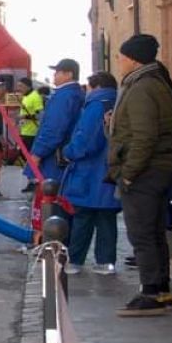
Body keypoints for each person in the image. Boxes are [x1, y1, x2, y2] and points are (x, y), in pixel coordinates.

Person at [107, 34, 172, 316]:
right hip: (158, 169)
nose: (119, 61)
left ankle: (151, 292)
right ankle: (160, 290)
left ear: (133, 58)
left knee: (143, 234)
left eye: (121, 56)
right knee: (154, 232)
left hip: (145, 172)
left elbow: (144, 136)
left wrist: (127, 174)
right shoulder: (154, 83)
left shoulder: (141, 87)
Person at [60, 71, 120, 275]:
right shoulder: (118, 102)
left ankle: (75, 261)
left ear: (96, 87)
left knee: (83, 217)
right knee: (106, 218)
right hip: (112, 170)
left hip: (90, 171)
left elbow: (86, 139)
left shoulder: (96, 105)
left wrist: (69, 152)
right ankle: (106, 262)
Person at [29, 59, 85, 192]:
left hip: (55, 157)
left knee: (51, 196)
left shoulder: (64, 96)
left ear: (69, 74)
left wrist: (38, 153)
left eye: (57, 72)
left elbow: (54, 128)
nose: (54, 75)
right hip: (63, 153)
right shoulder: (74, 94)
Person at [17, 77, 44, 192]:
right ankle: (31, 180)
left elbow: (40, 115)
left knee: (31, 158)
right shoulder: (25, 97)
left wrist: (25, 117)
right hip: (25, 131)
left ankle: (34, 180)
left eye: (21, 86)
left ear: (27, 86)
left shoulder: (35, 96)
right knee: (25, 157)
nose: (19, 88)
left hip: (33, 133)